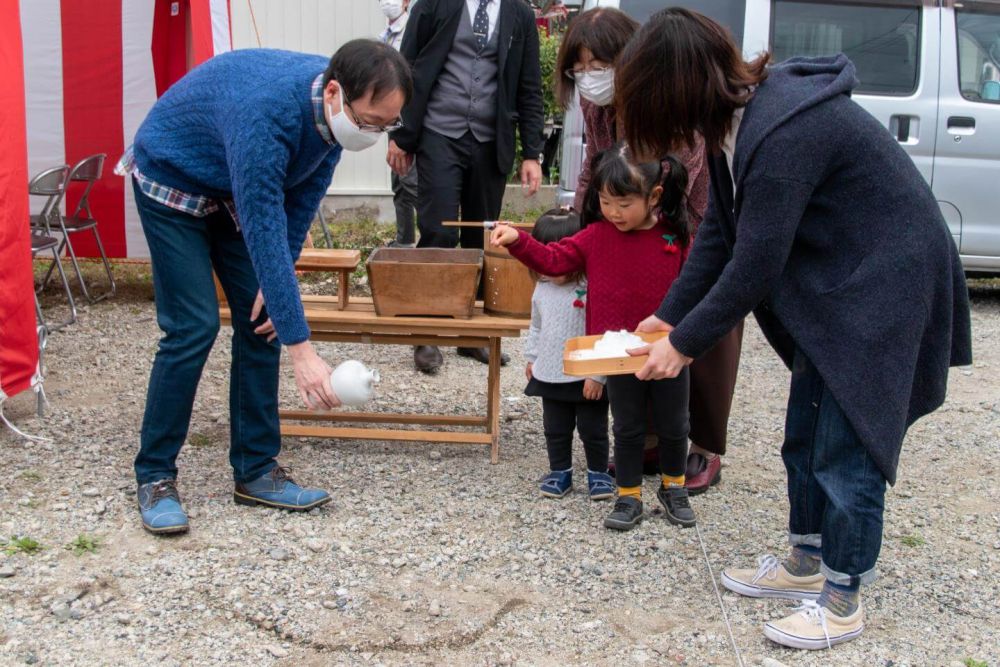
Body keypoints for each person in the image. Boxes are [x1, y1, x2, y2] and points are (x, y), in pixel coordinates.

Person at [618, 8, 972, 650]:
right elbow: (722, 234)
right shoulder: (733, 125)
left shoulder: (783, 132)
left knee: (848, 439)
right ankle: (805, 561)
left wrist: (683, 345)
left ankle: (841, 597)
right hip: (842, 279)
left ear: (676, 88)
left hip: (885, 281)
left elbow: (757, 264)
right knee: (804, 430)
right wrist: (669, 315)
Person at [116, 41, 412, 535]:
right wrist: (303, 350)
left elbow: (300, 205)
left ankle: (255, 469)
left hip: (229, 184)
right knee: (193, 326)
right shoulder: (266, 114)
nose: (375, 135)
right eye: (370, 123)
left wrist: (280, 295)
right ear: (335, 92)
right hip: (173, 176)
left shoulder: (335, 117)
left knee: (262, 320)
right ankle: (155, 475)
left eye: (387, 126)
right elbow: (262, 222)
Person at [555, 7, 738, 494]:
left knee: (702, 329)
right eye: (579, 68)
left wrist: (648, 221)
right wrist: (584, 225)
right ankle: (652, 440)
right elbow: (593, 167)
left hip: (684, 224)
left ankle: (703, 443)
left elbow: (684, 175)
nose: (589, 78)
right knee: (635, 327)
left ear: (630, 58)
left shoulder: (666, 97)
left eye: (599, 64)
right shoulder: (597, 108)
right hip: (626, 224)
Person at [492, 144, 696, 532]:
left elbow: (698, 288)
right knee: (627, 426)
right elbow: (552, 259)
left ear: (654, 196)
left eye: (623, 203)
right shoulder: (595, 236)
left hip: (667, 350)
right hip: (616, 355)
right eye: (605, 202)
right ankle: (628, 494)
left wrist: (689, 341)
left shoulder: (676, 238)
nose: (613, 213)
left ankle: (674, 488)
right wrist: (517, 240)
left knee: (674, 425)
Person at [388, 0, 545, 373]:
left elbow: (529, 85)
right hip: (439, 130)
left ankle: (470, 335)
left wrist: (532, 153)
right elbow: (403, 67)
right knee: (437, 230)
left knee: (483, 235)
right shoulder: (434, 4)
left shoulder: (519, 14)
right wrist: (399, 133)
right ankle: (427, 333)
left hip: (491, 138)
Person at [522, 209, 613, 501]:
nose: (548, 267)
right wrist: (532, 357)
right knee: (555, 427)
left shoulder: (593, 285)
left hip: (587, 373)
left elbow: (605, 332)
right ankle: (560, 470)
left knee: (593, 428)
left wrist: (598, 374)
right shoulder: (542, 288)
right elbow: (537, 325)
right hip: (550, 371)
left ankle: (598, 472)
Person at [377, 0, 419, 248]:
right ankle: (404, 241)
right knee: (398, 184)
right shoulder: (386, 33)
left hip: (406, 114)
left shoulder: (410, 28)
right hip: (389, 116)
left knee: (409, 179)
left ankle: (434, 236)